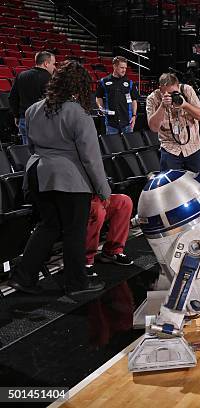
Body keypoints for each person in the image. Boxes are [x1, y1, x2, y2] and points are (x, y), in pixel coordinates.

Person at [7, 61, 108, 296]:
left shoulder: (33, 109)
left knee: (48, 226)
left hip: (38, 175)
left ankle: (23, 277)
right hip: (69, 179)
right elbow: (91, 158)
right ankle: (77, 284)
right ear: (80, 85)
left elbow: (31, 147)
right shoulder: (79, 113)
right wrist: (104, 191)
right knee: (74, 231)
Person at [146, 73, 200, 173]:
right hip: (170, 149)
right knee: (169, 186)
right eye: (167, 93)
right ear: (160, 88)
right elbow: (153, 128)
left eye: (174, 93)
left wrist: (185, 105)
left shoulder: (187, 90)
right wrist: (162, 106)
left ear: (178, 86)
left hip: (193, 147)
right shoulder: (153, 99)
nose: (171, 96)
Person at [8, 51, 56, 144]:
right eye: (53, 64)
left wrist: (16, 116)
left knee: (27, 152)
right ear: (46, 63)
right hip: (44, 121)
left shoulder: (21, 75)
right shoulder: (51, 79)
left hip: (24, 119)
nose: (54, 67)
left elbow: (12, 98)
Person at [86, 194, 134, 271]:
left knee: (124, 201)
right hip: (79, 199)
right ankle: (85, 260)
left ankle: (112, 251)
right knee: (97, 210)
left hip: (98, 195)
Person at [95, 56, 139, 135]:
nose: (124, 70)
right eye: (122, 67)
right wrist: (101, 108)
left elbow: (134, 100)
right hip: (111, 123)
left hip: (127, 122)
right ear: (114, 66)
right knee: (113, 146)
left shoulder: (130, 83)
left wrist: (134, 116)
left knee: (130, 147)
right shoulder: (104, 81)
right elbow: (98, 97)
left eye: (125, 68)